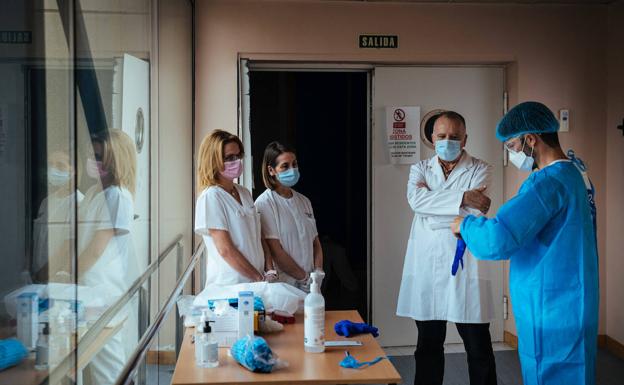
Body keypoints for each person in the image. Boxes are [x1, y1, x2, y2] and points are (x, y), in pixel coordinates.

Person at [451, 101, 599, 385]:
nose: (514, 153)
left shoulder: (546, 183)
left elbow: (500, 238)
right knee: (578, 370)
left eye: (513, 146)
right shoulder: (577, 173)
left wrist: (465, 225)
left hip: (550, 303)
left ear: (531, 139)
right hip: (578, 297)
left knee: (549, 372)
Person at [396, 111, 498, 385]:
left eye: (454, 136)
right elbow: (416, 202)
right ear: (432, 138)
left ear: (465, 139)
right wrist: (463, 198)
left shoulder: (481, 168)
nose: (447, 141)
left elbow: (473, 214)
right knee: (428, 345)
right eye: (442, 136)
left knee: (478, 346)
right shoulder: (419, 169)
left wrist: (435, 205)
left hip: (466, 263)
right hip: (428, 264)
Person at [77, 129, 138, 385]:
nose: (94, 161)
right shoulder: (94, 194)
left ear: (116, 159)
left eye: (100, 156)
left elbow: (95, 249)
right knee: (83, 362)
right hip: (89, 290)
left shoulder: (117, 196)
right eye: (92, 155)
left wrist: (69, 275)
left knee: (108, 370)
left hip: (104, 294)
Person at [195, 129, 266, 286]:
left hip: (256, 280)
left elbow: (256, 237)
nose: (237, 161)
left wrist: (266, 272)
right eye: (230, 158)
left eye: (238, 156)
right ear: (213, 161)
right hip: (231, 285)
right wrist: (258, 278)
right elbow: (225, 249)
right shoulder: (211, 197)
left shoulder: (244, 193)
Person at [254, 141, 324, 292]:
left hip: (311, 285)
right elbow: (275, 250)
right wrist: (304, 278)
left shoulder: (304, 201)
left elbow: (315, 242)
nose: (292, 169)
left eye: (295, 164)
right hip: (286, 285)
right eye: (285, 166)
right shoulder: (265, 203)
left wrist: (318, 272)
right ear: (271, 170)